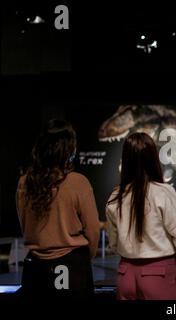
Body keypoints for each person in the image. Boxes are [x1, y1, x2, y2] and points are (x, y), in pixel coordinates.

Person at [16, 119, 100, 299]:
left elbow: (24, 226)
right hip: (72, 265)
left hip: (36, 267)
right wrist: (83, 260)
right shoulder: (79, 182)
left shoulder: (24, 182)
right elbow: (93, 231)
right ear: (68, 148)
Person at [106, 132, 176, 300]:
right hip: (159, 275)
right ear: (153, 158)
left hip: (125, 275)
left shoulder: (115, 197)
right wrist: (173, 265)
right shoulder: (164, 193)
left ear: (126, 160)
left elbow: (113, 243)